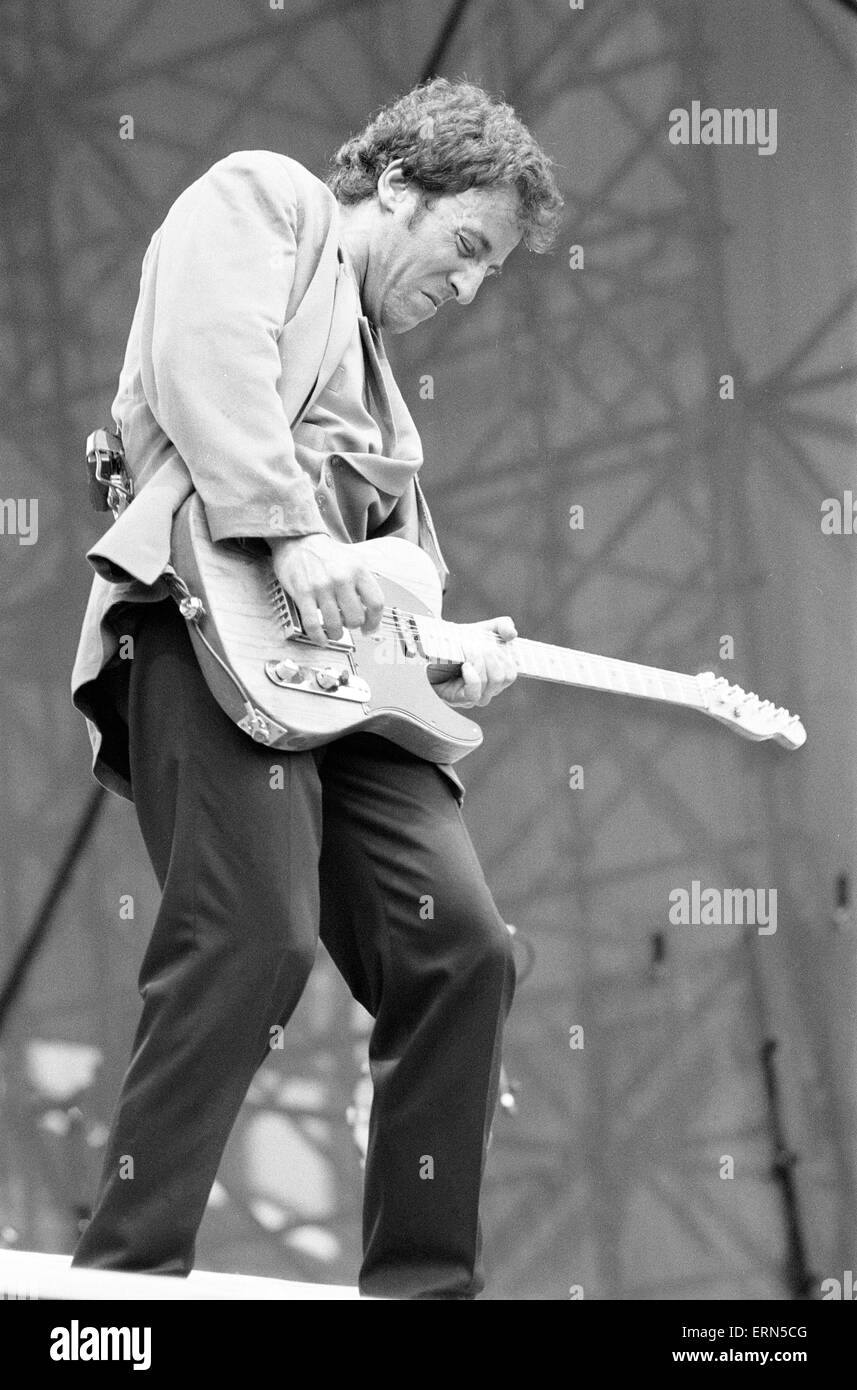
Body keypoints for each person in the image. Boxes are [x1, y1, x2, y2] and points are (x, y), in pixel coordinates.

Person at [70, 77, 562, 1299]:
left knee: (466, 948)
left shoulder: (389, 400)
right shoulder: (267, 201)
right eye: (462, 246)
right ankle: (115, 1295)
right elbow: (205, 357)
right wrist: (294, 540)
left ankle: (422, 1289)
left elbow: (399, 598)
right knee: (252, 938)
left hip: (347, 693)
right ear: (397, 181)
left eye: (486, 273)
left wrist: (458, 650)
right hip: (208, 628)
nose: (464, 286)